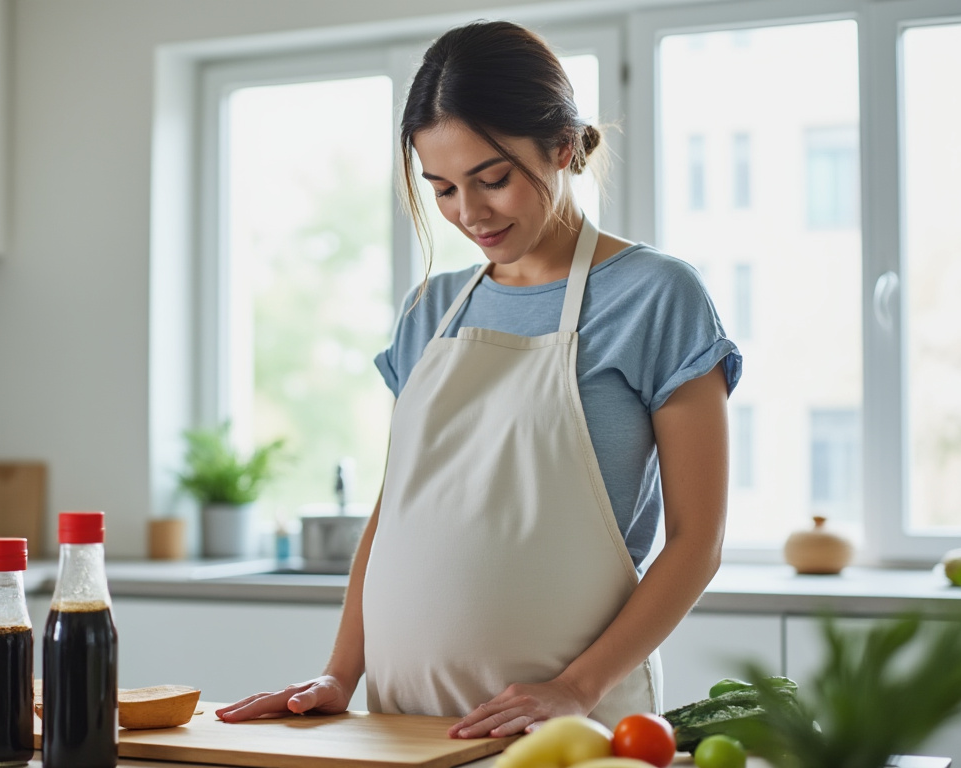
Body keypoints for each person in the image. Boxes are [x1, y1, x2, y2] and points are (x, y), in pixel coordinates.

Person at [216, 20, 740, 738]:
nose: (469, 213)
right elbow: (394, 509)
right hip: (400, 723)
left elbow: (696, 541)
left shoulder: (656, 296)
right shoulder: (431, 308)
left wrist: (573, 688)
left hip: (565, 726)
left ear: (562, 147)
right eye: (443, 189)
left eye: (493, 180)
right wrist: (341, 671)